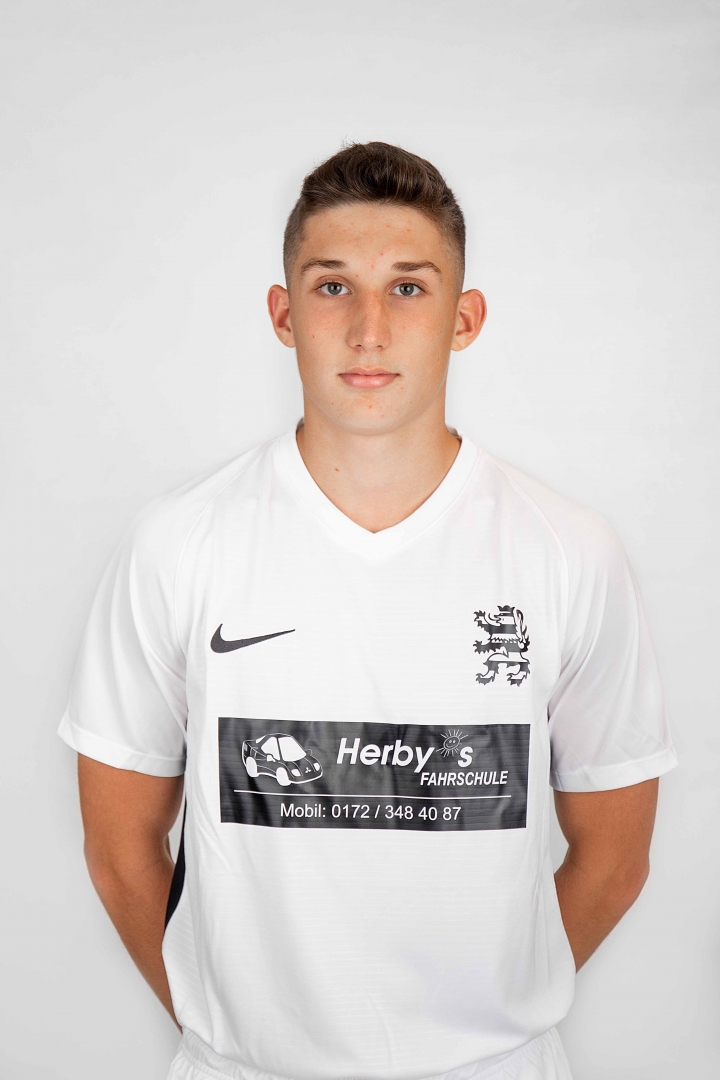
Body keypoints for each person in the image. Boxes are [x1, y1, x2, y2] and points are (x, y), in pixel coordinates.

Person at [60, 142, 677, 1080]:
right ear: (284, 314)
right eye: (334, 287)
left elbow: (615, 859)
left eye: (409, 288)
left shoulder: (568, 550)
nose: (369, 330)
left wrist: (483, 1035)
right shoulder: (178, 545)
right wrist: (233, 1039)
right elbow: (118, 850)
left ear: (464, 319)